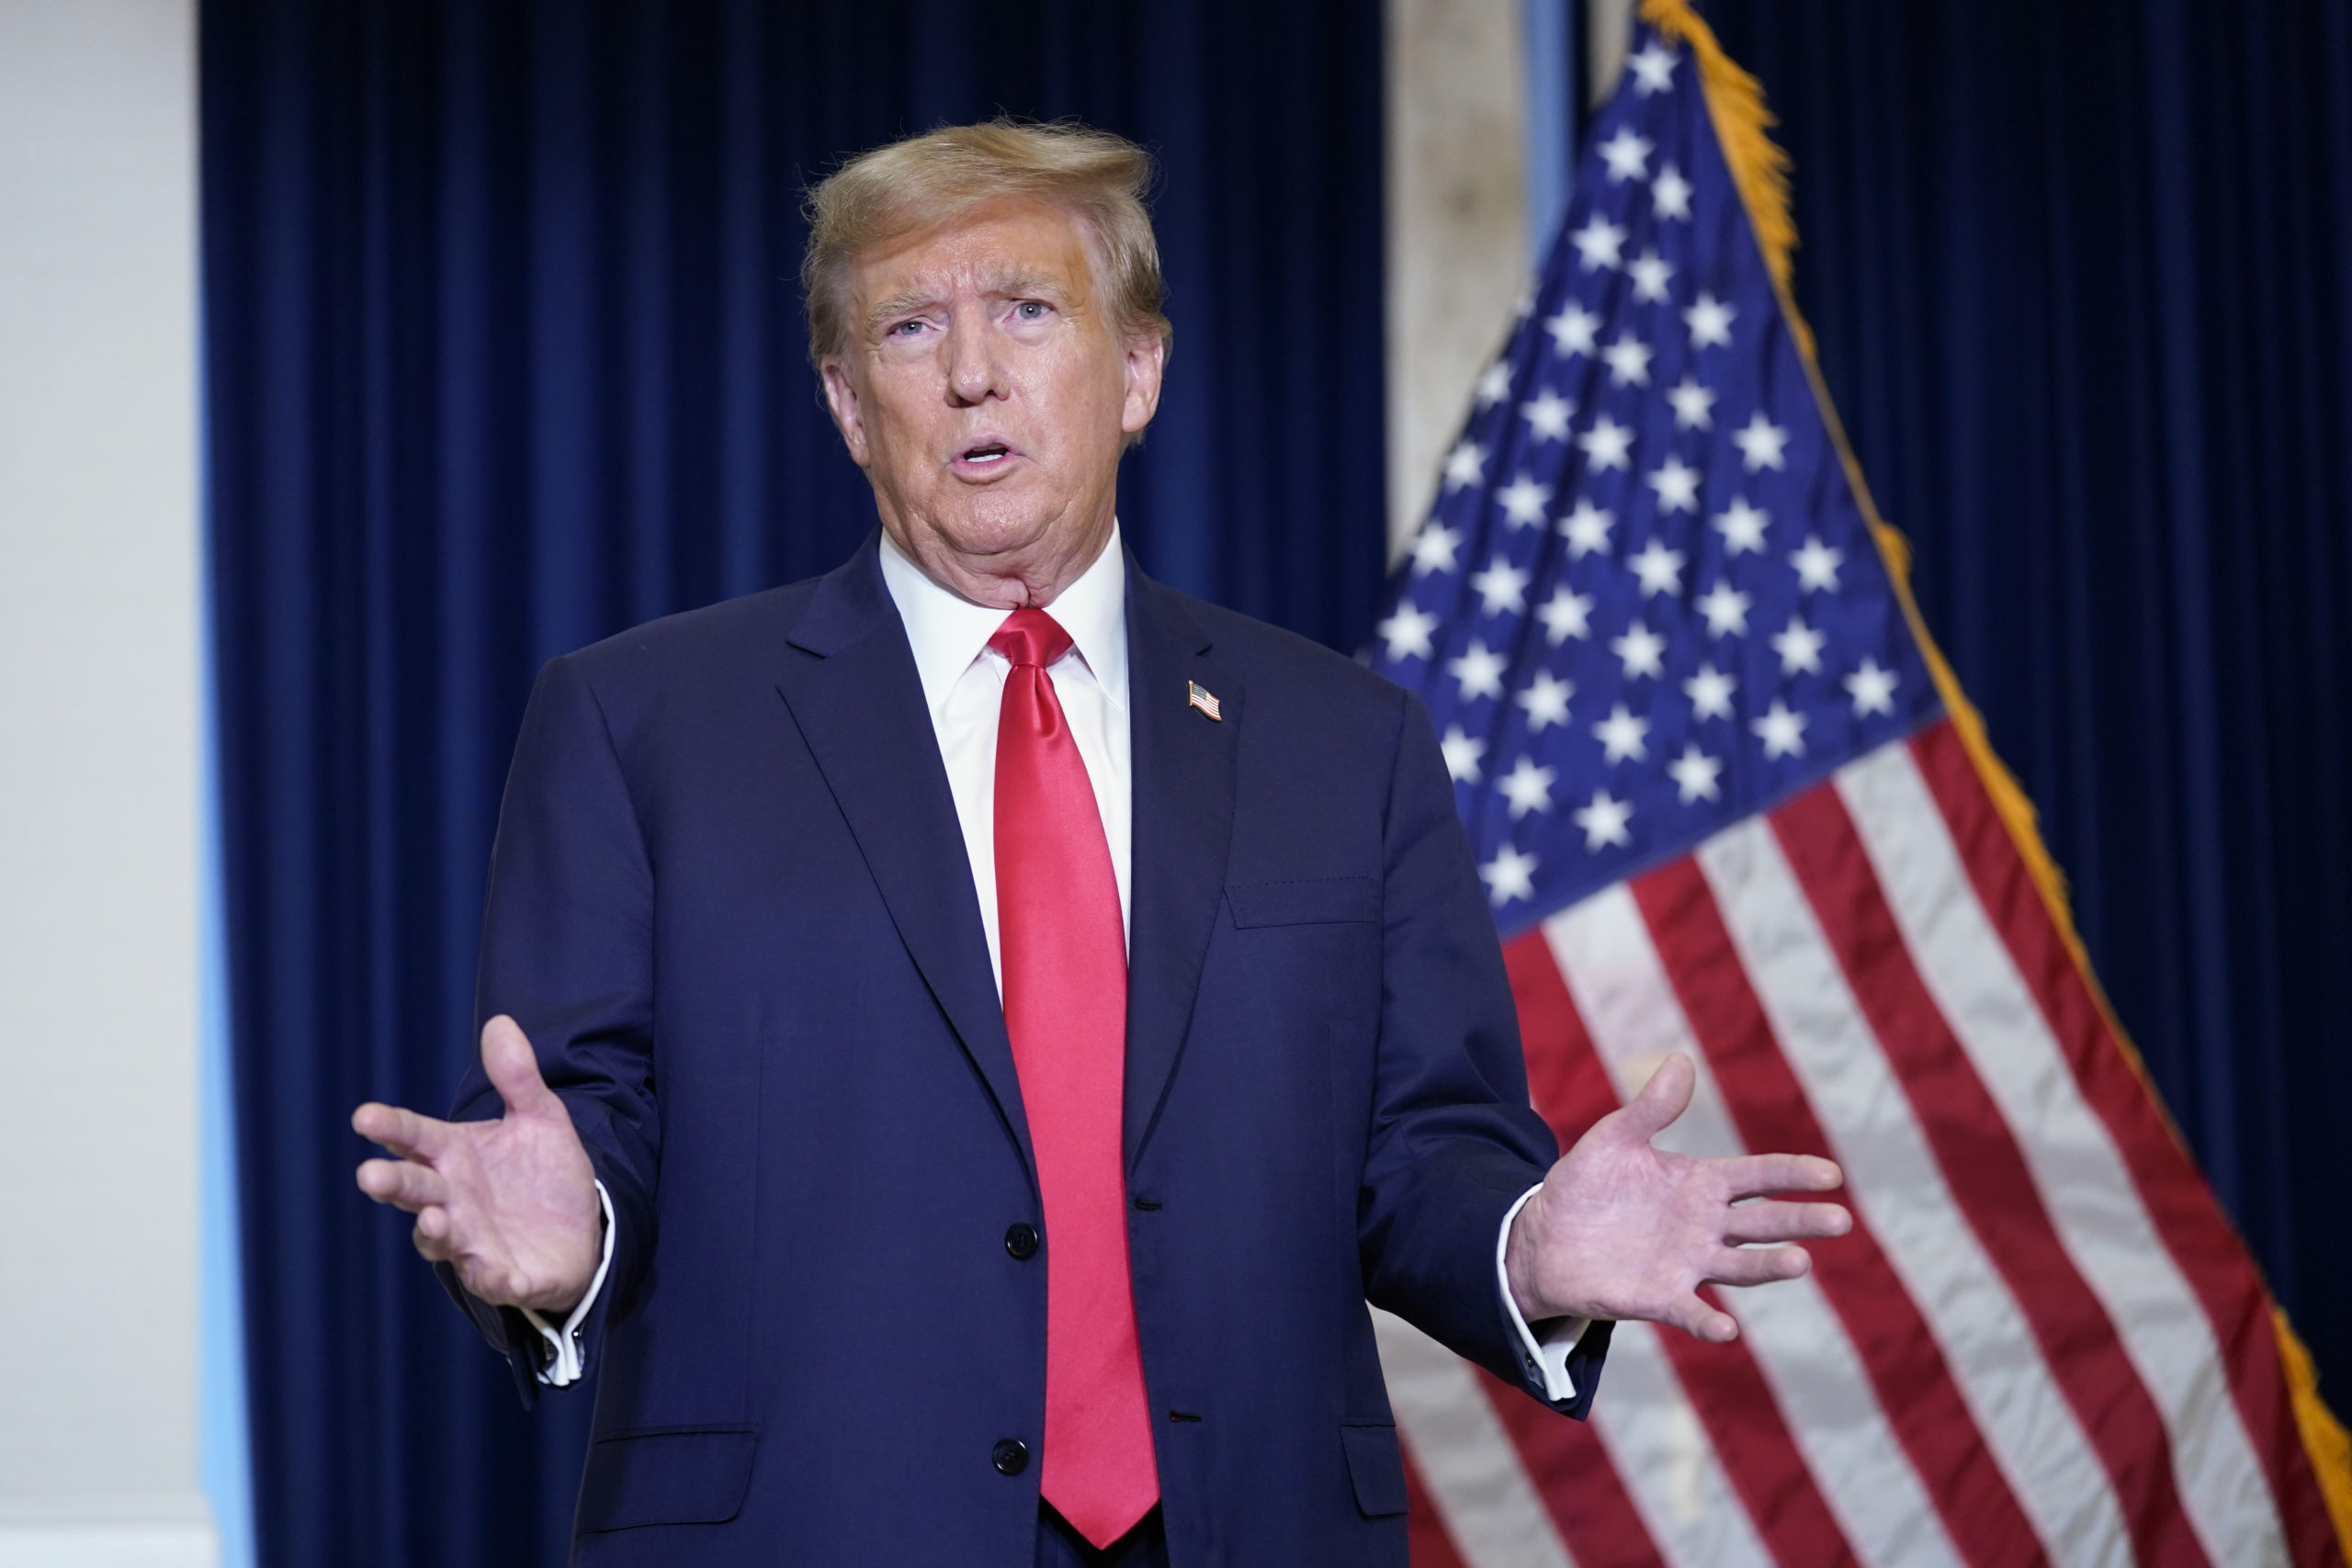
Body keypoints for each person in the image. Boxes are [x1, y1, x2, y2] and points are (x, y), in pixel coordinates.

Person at [352, 119, 1848, 1567]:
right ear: (845, 402)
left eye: (1024, 310)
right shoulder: (639, 722)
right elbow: (588, 1108)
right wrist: (574, 1226)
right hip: (812, 1522)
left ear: (1135, 370)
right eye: (909, 331)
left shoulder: (1347, 740)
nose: (974, 374)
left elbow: (1420, 1147)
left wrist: (1522, 1245)